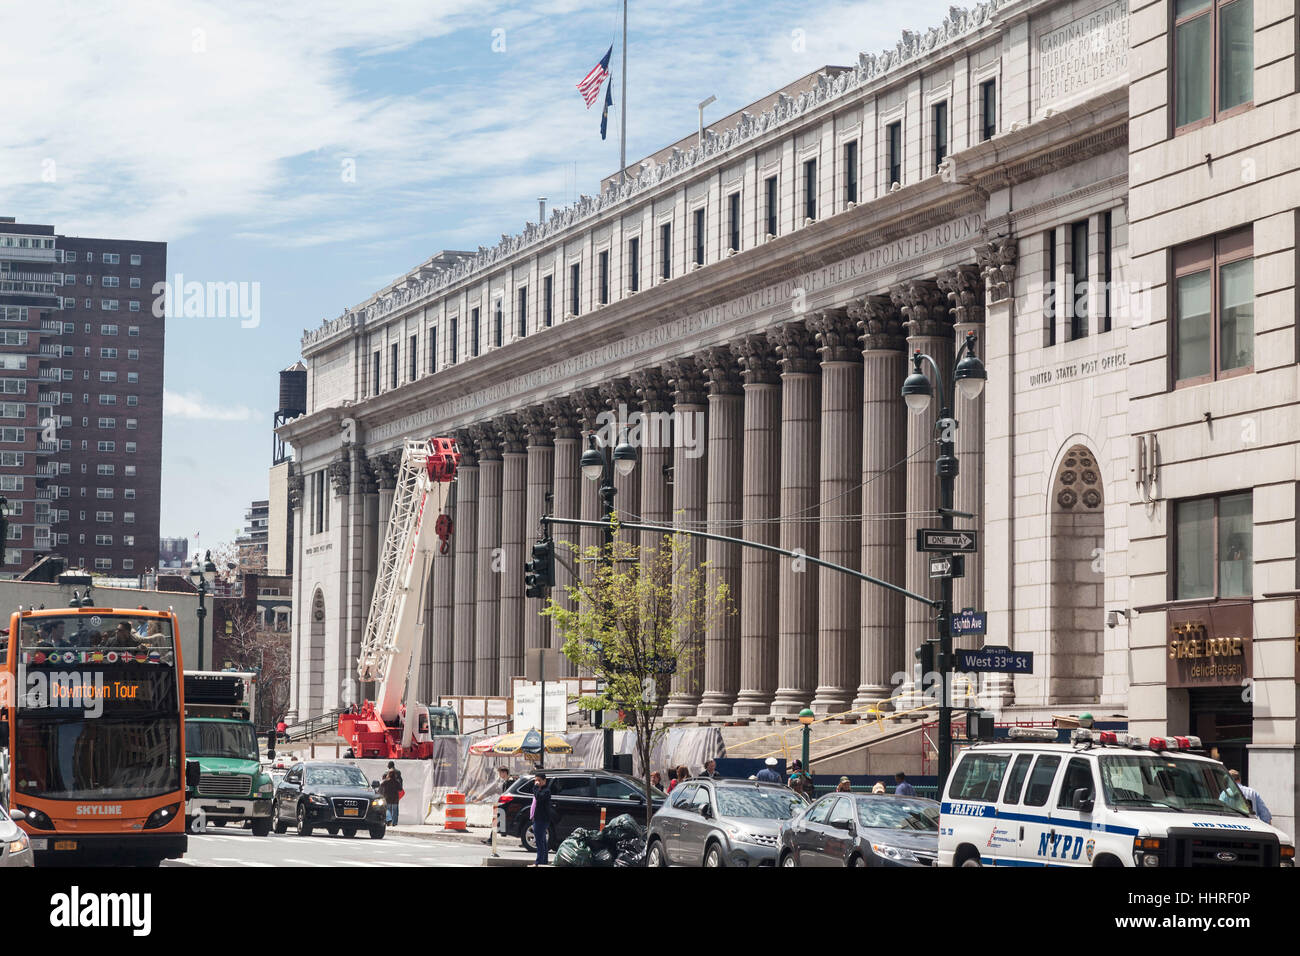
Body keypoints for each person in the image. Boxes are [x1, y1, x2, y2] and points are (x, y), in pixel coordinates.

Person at [529, 772, 553, 866]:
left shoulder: (546, 791)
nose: (537, 782)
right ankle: (543, 862)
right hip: (537, 819)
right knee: (542, 842)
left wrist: (535, 788)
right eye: (536, 780)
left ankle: (538, 862)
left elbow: (538, 797)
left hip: (542, 820)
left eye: (539, 780)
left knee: (539, 842)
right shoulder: (539, 790)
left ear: (544, 781)